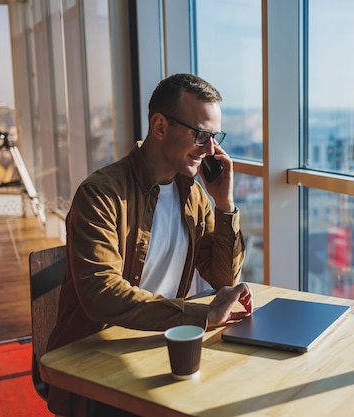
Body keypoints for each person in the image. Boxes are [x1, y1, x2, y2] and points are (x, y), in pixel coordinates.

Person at [45, 73, 253, 417]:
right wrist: (203, 314)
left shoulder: (195, 195)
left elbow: (221, 278)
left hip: (159, 346)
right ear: (159, 126)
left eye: (215, 138)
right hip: (94, 362)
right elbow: (102, 294)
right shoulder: (100, 194)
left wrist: (225, 204)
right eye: (201, 135)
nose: (211, 150)